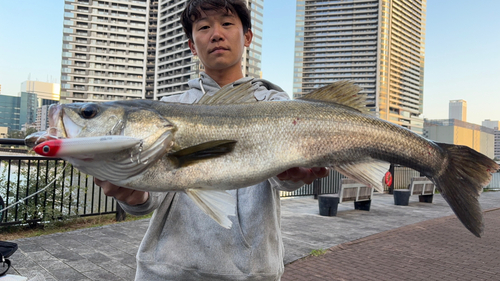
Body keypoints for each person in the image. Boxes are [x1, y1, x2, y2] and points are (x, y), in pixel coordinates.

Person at [96, 0, 328, 280]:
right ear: (193, 45)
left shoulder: (275, 106)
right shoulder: (169, 108)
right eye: (204, 27)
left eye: (227, 23)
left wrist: (295, 176)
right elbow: (150, 196)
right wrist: (133, 194)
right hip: (165, 271)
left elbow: (282, 179)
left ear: (248, 37)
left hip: (252, 272)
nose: (216, 33)